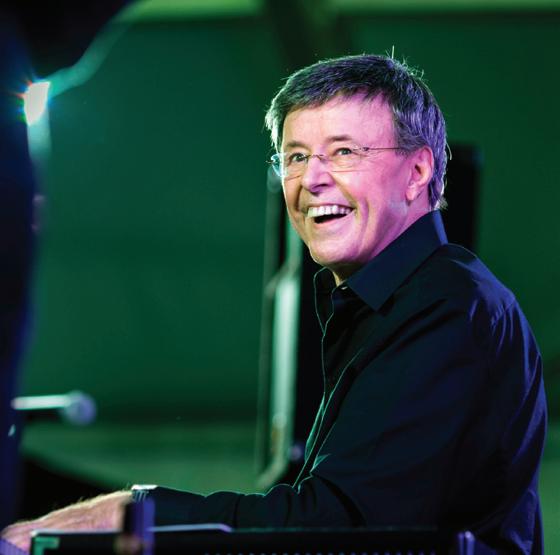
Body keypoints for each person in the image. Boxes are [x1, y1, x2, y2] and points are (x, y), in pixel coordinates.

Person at [2, 54, 547, 554]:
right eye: (295, 156)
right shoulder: (389, 303)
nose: (311, 179)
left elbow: (339, 529)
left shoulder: (446, 304)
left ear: (418, 172)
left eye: (344, 152)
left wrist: (131, 512)